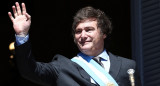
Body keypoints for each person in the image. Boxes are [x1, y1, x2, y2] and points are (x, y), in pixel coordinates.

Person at [8, 2, 141, 86]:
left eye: (89, 30)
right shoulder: (62, 68)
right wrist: (22, 35)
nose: (83, 36)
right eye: (78, 31)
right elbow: (29, 71)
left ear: (103, 33)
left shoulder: (127, 66)